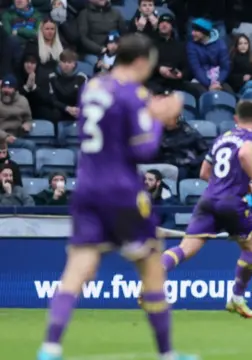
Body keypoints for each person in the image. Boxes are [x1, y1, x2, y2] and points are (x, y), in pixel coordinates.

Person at [37, 34, 197, 360]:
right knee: (151, 264)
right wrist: (157, 118)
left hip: (86, 188)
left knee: (78, 267)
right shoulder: (133, 94)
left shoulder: (92, 88)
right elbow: (143, 149)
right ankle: (167, 353)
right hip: (121, 190)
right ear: (140, 61)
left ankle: (50, 347)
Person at [158, 100, 252, 319]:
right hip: (231, 201)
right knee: (251, 245)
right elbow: (245, 155)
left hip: (208, 199)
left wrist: (234, 183)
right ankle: (237, 298)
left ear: (235, 118)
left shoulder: (221, 138)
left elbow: (204, 173)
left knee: (185, 248)